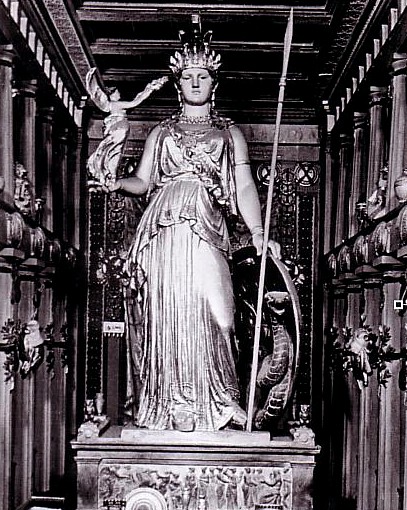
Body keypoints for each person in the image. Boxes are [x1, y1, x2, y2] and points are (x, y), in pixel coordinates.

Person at [106, 17, 280, 431]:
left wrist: (259, 232)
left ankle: (220, 400)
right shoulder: (162, 132)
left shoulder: (229, 133)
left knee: (220, 316)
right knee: (168, 313)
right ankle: (170, 403)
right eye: (188, 76)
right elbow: (143, 181)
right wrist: (116, 182)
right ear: (178, 83)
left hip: (207, 225)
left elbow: (244, 186)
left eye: (203, 75)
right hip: (164, 229)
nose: (196, 82)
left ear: (213, 83)